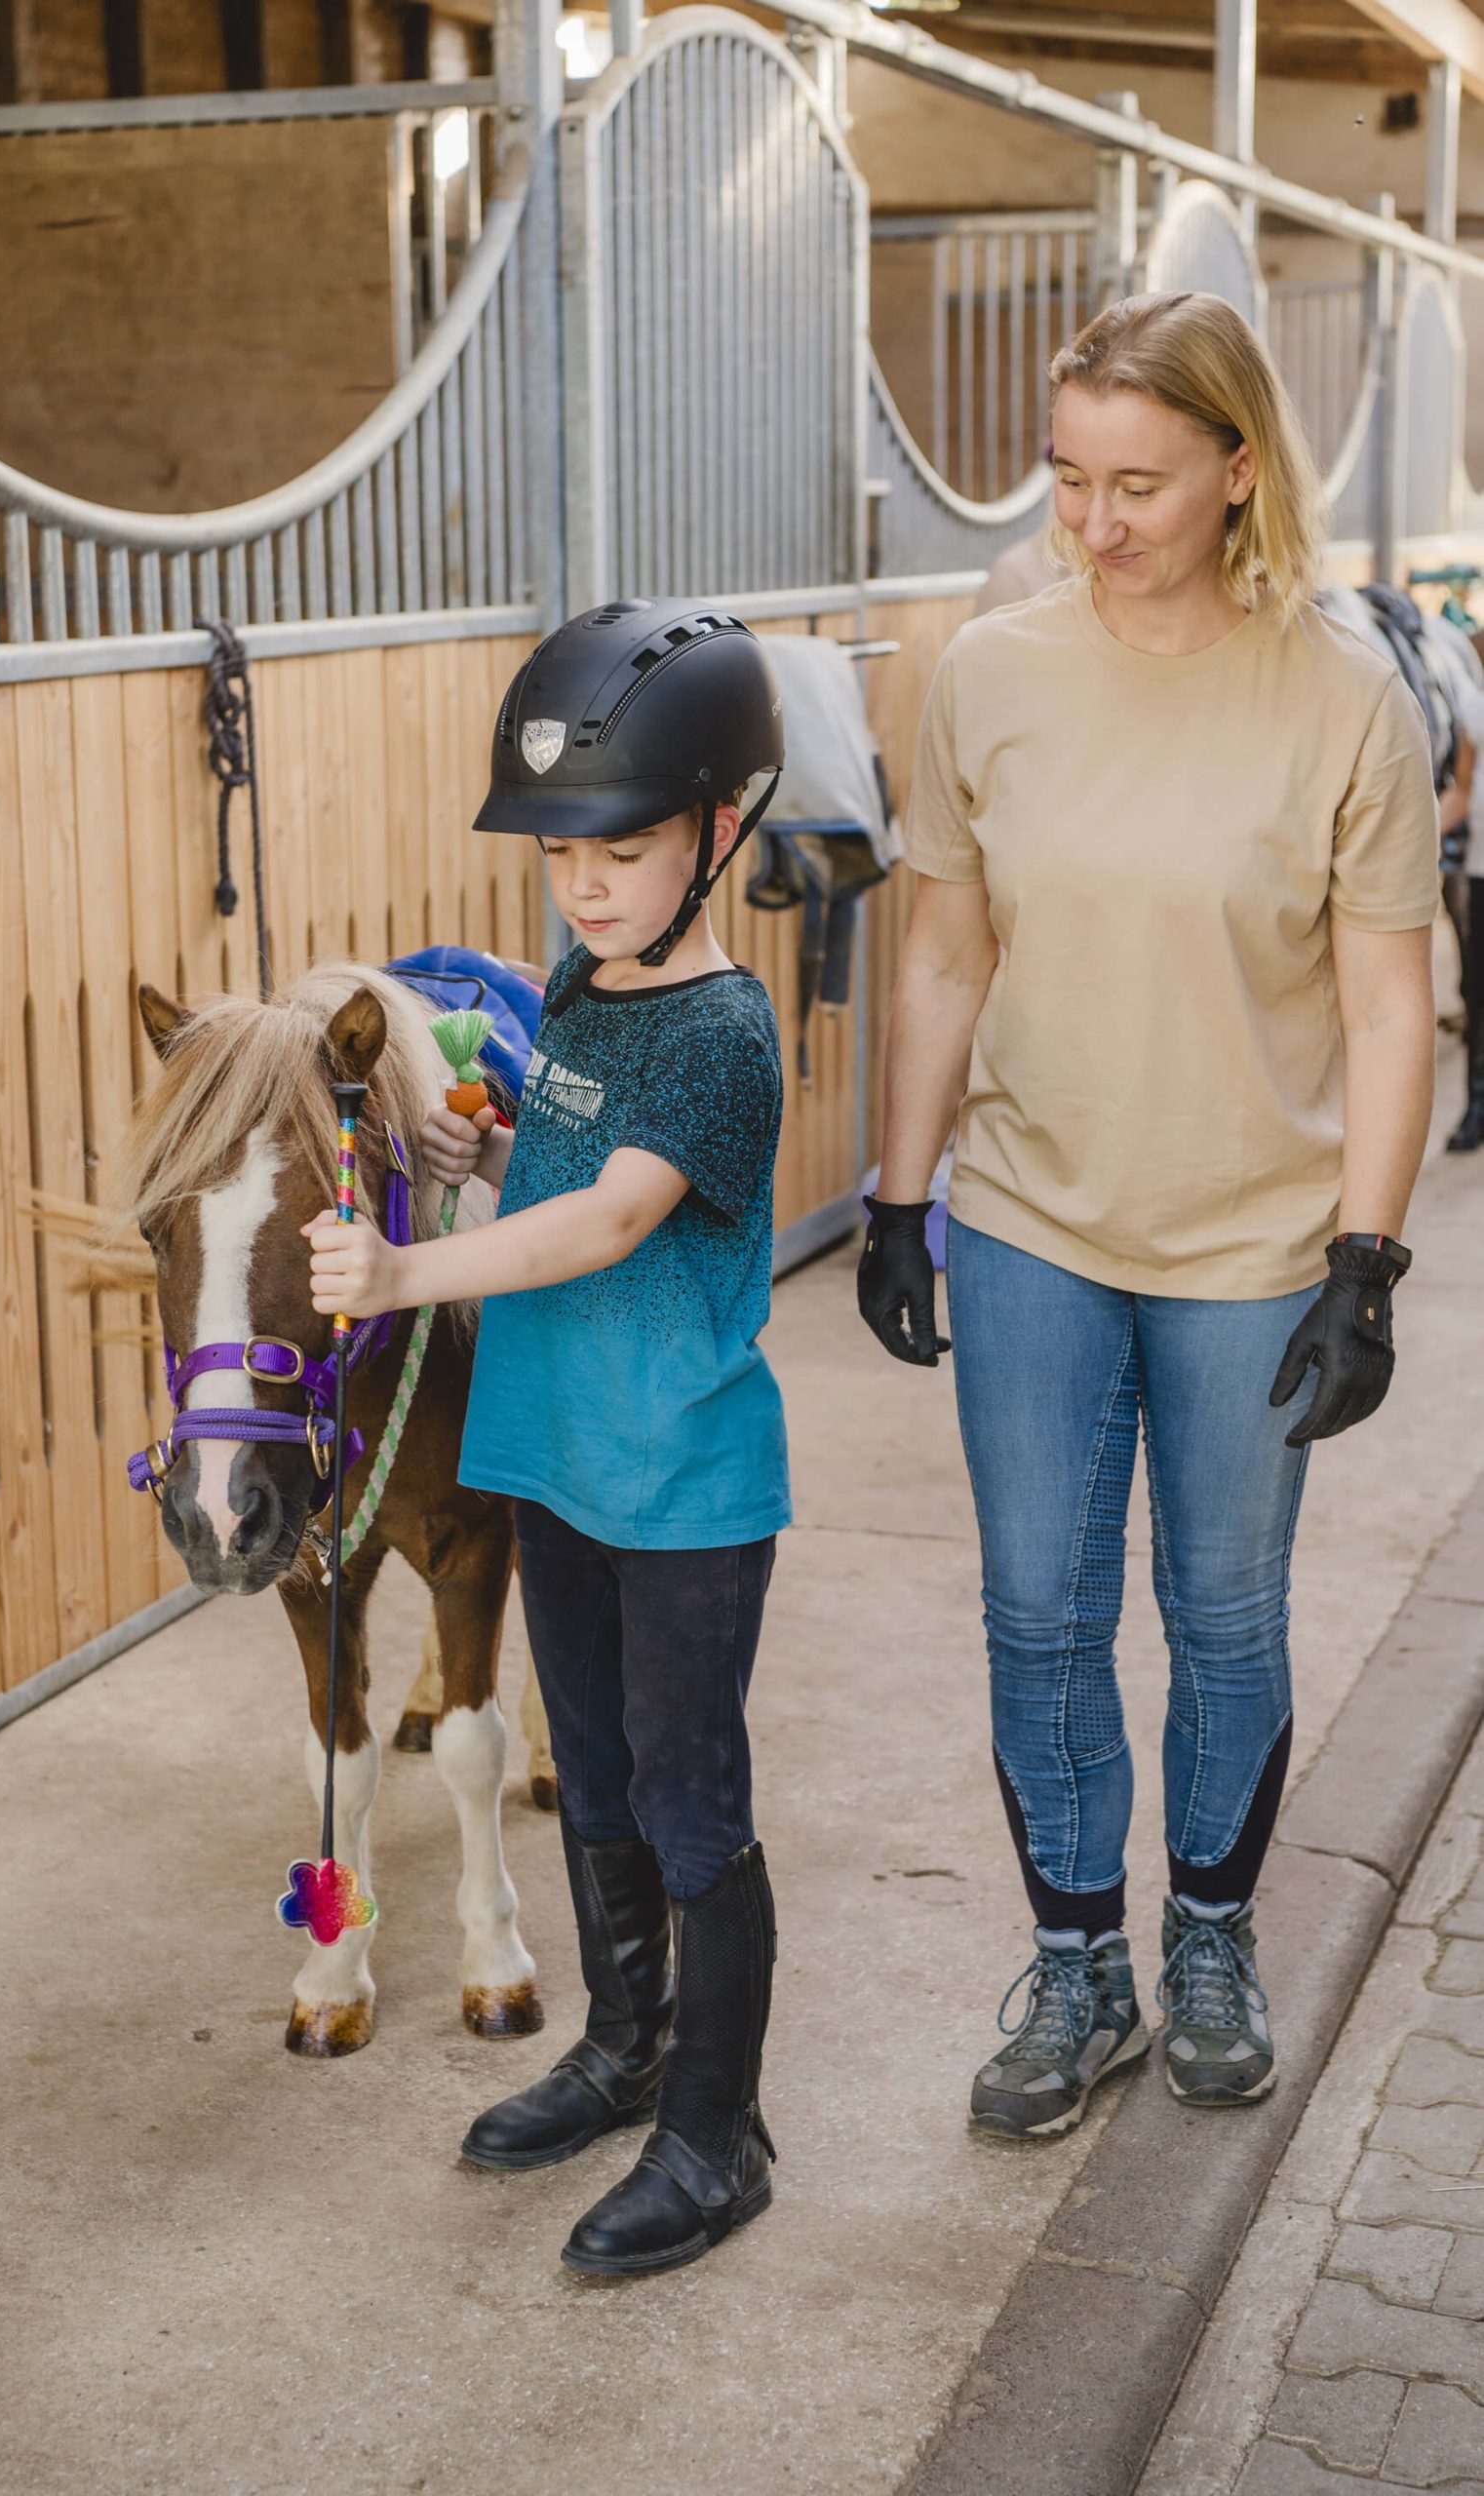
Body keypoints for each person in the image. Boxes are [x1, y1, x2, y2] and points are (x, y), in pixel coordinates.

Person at [858, 292, 1438, 2138]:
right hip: (1030, 1221)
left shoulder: (1346, 700)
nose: (1093, 523)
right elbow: (944, 955)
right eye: (1066, 478)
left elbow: (1386, 1007)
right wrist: (898, 1197)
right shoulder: (992, 674)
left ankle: (1208, 1937)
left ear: (1239, 470)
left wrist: (1367, 1259)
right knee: (1038, 1612)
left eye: (1139, 485)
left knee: (1226, 1612)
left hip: (1254, 1247)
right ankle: (1077, 1968)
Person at [303, 598, 791, 2272]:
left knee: (687, 1796)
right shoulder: (582, 985)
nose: (582, 887)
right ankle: (623, 2048)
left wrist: (404, 1269)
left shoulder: (722, 1033)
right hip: (559, 1461)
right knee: (585, 1769)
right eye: (560, 851)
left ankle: (717, 2135)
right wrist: (477, 1158)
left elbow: (610, 1224)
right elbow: (559, 1181)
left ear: (716, 832)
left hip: (678, 1484)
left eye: (623, 850)